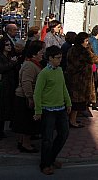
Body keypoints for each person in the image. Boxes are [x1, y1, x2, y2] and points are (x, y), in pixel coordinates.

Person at [34, 45, 71, 176]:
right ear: (50, 58)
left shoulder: (59, 70)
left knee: (64, 134)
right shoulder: (44, 73)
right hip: (48, 109)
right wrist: (38, 110)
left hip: (60, 108)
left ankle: (52, 158)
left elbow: (63, 87)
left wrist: (68, 102)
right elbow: (37, 93)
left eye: (61, 57)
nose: (60, 60)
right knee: (47, 138)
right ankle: (45, 163)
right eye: (57, 58)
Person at [65, 32, 98, 128]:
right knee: (77, 101)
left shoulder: (72, 49)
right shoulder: (83, 51)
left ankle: (72, 118)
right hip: (80, 79)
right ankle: (72, 121)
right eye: (86, 41)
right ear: (81, 41)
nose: (87, 43)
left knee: (73, 100)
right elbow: (94, 58)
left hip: (71, 77)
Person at [13, 40, 45, 153]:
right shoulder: (30, 66)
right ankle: (25, 144)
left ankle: (23, 142)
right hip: (24, 97)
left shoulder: (34, 64)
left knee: (25, 122)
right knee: (26, 122)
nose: (42, 54)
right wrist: (30, 97)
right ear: (34, 54)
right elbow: (26, 82)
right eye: (41, 52)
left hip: (27, 96)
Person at [0, 36, 19, 139]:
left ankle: (0, 131)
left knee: (4, 109)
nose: (9, 47)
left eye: (10, 45)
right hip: (1, 85)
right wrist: (12, 63)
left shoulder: (10, 56)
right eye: (7, 45)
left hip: (9, 85)